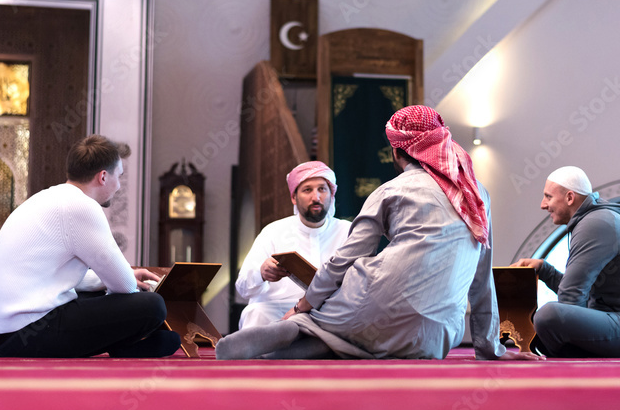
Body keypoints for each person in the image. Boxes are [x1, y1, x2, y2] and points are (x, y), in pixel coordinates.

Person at [217, 105, 541, 361]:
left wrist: (303, 307)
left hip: (367, 311)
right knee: (366, 339)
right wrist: (489, 346)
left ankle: (302, 330)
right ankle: (324, 341)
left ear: (396, 154)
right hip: (438, 335)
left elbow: (344, 260)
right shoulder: (477, 194)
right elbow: (481, 278)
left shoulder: (391, 190)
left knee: (326, 321)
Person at [0, 134, 181, 358]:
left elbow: (56, 277)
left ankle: (122, 345)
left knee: (94, 294)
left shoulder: (48, 198)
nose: (119, 186)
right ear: (103, 177)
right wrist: (131, 283)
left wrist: (119, 279)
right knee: (152, 306)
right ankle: (123, 344)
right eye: (119, 176)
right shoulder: (82, 207)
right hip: (24, 333)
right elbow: (123, 286)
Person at [512, 166, 620, 358]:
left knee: (547, 316)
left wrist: (549, 326)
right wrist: (544, 269)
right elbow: (579, 294)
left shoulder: (594, 224)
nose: (543, 205)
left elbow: (570, 299)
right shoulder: (597, 219)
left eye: (548, 197)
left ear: (569, 197)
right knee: (542, 320)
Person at [235, 161, 350, 329]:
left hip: (328, 310)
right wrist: (261, 273)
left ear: (332, 195)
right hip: (279, 310)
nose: (316, 197)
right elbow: (243, 288)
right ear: (293, 198)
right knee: (256, 312)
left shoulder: (347, 232)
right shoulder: (273, 231)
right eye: (307, 190)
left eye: (322, 189)